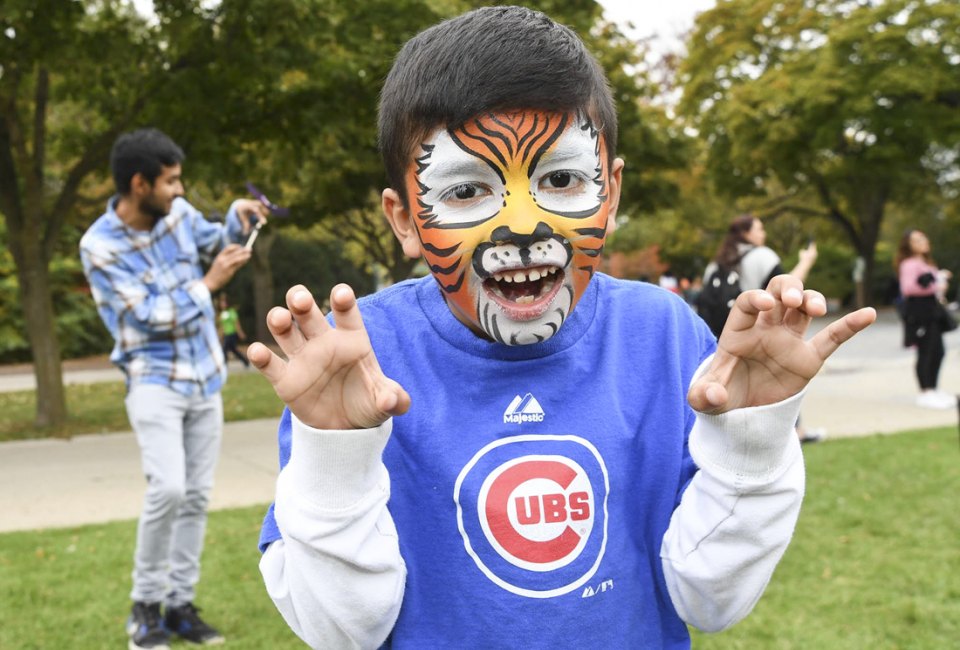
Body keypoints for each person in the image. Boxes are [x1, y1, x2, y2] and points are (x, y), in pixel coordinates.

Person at [251, 7, 876, 649]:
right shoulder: (357, 361)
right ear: (406, 219)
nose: (524, 225)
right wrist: (331, 456)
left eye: (562, 179)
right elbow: (341, 631)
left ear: (611, 193)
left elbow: (711, 600)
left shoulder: (662, 337)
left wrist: (755, 440)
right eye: (466, 191)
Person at [79, 127, 268, 650]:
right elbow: (144, 318)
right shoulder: (99, 247)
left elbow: (217, 240)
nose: (180, 191)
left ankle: (180, 606)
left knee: (197, 497)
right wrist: (209, 284)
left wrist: (238, 216)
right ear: (139, 185)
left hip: (205, 376)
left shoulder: (179, 216)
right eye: (171, 182)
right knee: (169, 488)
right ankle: (145, 609)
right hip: (153, 380)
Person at [701, 214, 825, 443]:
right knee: (778, 376)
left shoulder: (716, 262)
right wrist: (807, 261)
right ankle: (795, 431)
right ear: (746, 233)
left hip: (723, 334)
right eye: (759, 229)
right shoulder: (762, 256)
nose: (763, 233)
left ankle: (735, 435)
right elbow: (788, 289)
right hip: (756, 331)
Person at [896, 229, 955, 409]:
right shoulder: (909, 264)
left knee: (938, 350)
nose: (923, 241)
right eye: (917, 239)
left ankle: (933, 388)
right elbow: (909, 288)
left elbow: (935, 287)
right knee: (926, 351)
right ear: (909, 245)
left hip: (932, 310)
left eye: (923, 237)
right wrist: (934, 283)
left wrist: (939, 280)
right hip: (920, 312)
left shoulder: (926, 262)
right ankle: (925, 392)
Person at [218, 293, 250, 368]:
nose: (222, 304)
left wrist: (240, 333)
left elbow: (236, 323)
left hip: (231, 334)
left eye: (224, 303)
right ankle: (245, 361)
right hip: (226, 334)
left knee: (224, 349)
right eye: (221, 303)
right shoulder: (222, 314)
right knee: (233, 350)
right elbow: (222, 326)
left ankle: (224, 365)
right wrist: (220, 335)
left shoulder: (231, 312)